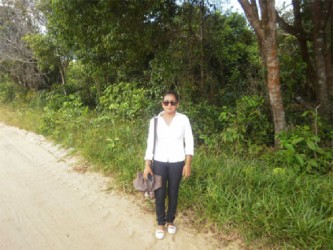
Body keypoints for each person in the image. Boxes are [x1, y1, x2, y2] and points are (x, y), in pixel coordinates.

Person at [143, 90, 194, 240]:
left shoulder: (183, 119)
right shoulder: (155, 120)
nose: (169, 105)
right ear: (162, 104)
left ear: (177, 104)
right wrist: (147, 164)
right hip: (158, 162)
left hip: (177, 162)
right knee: (159, 193)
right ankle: (160, 223)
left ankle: (170, 221)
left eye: (172, 102)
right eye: (166, 102)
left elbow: (189, 142)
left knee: (173, 192)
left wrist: (188, 164)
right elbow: (150, 143)